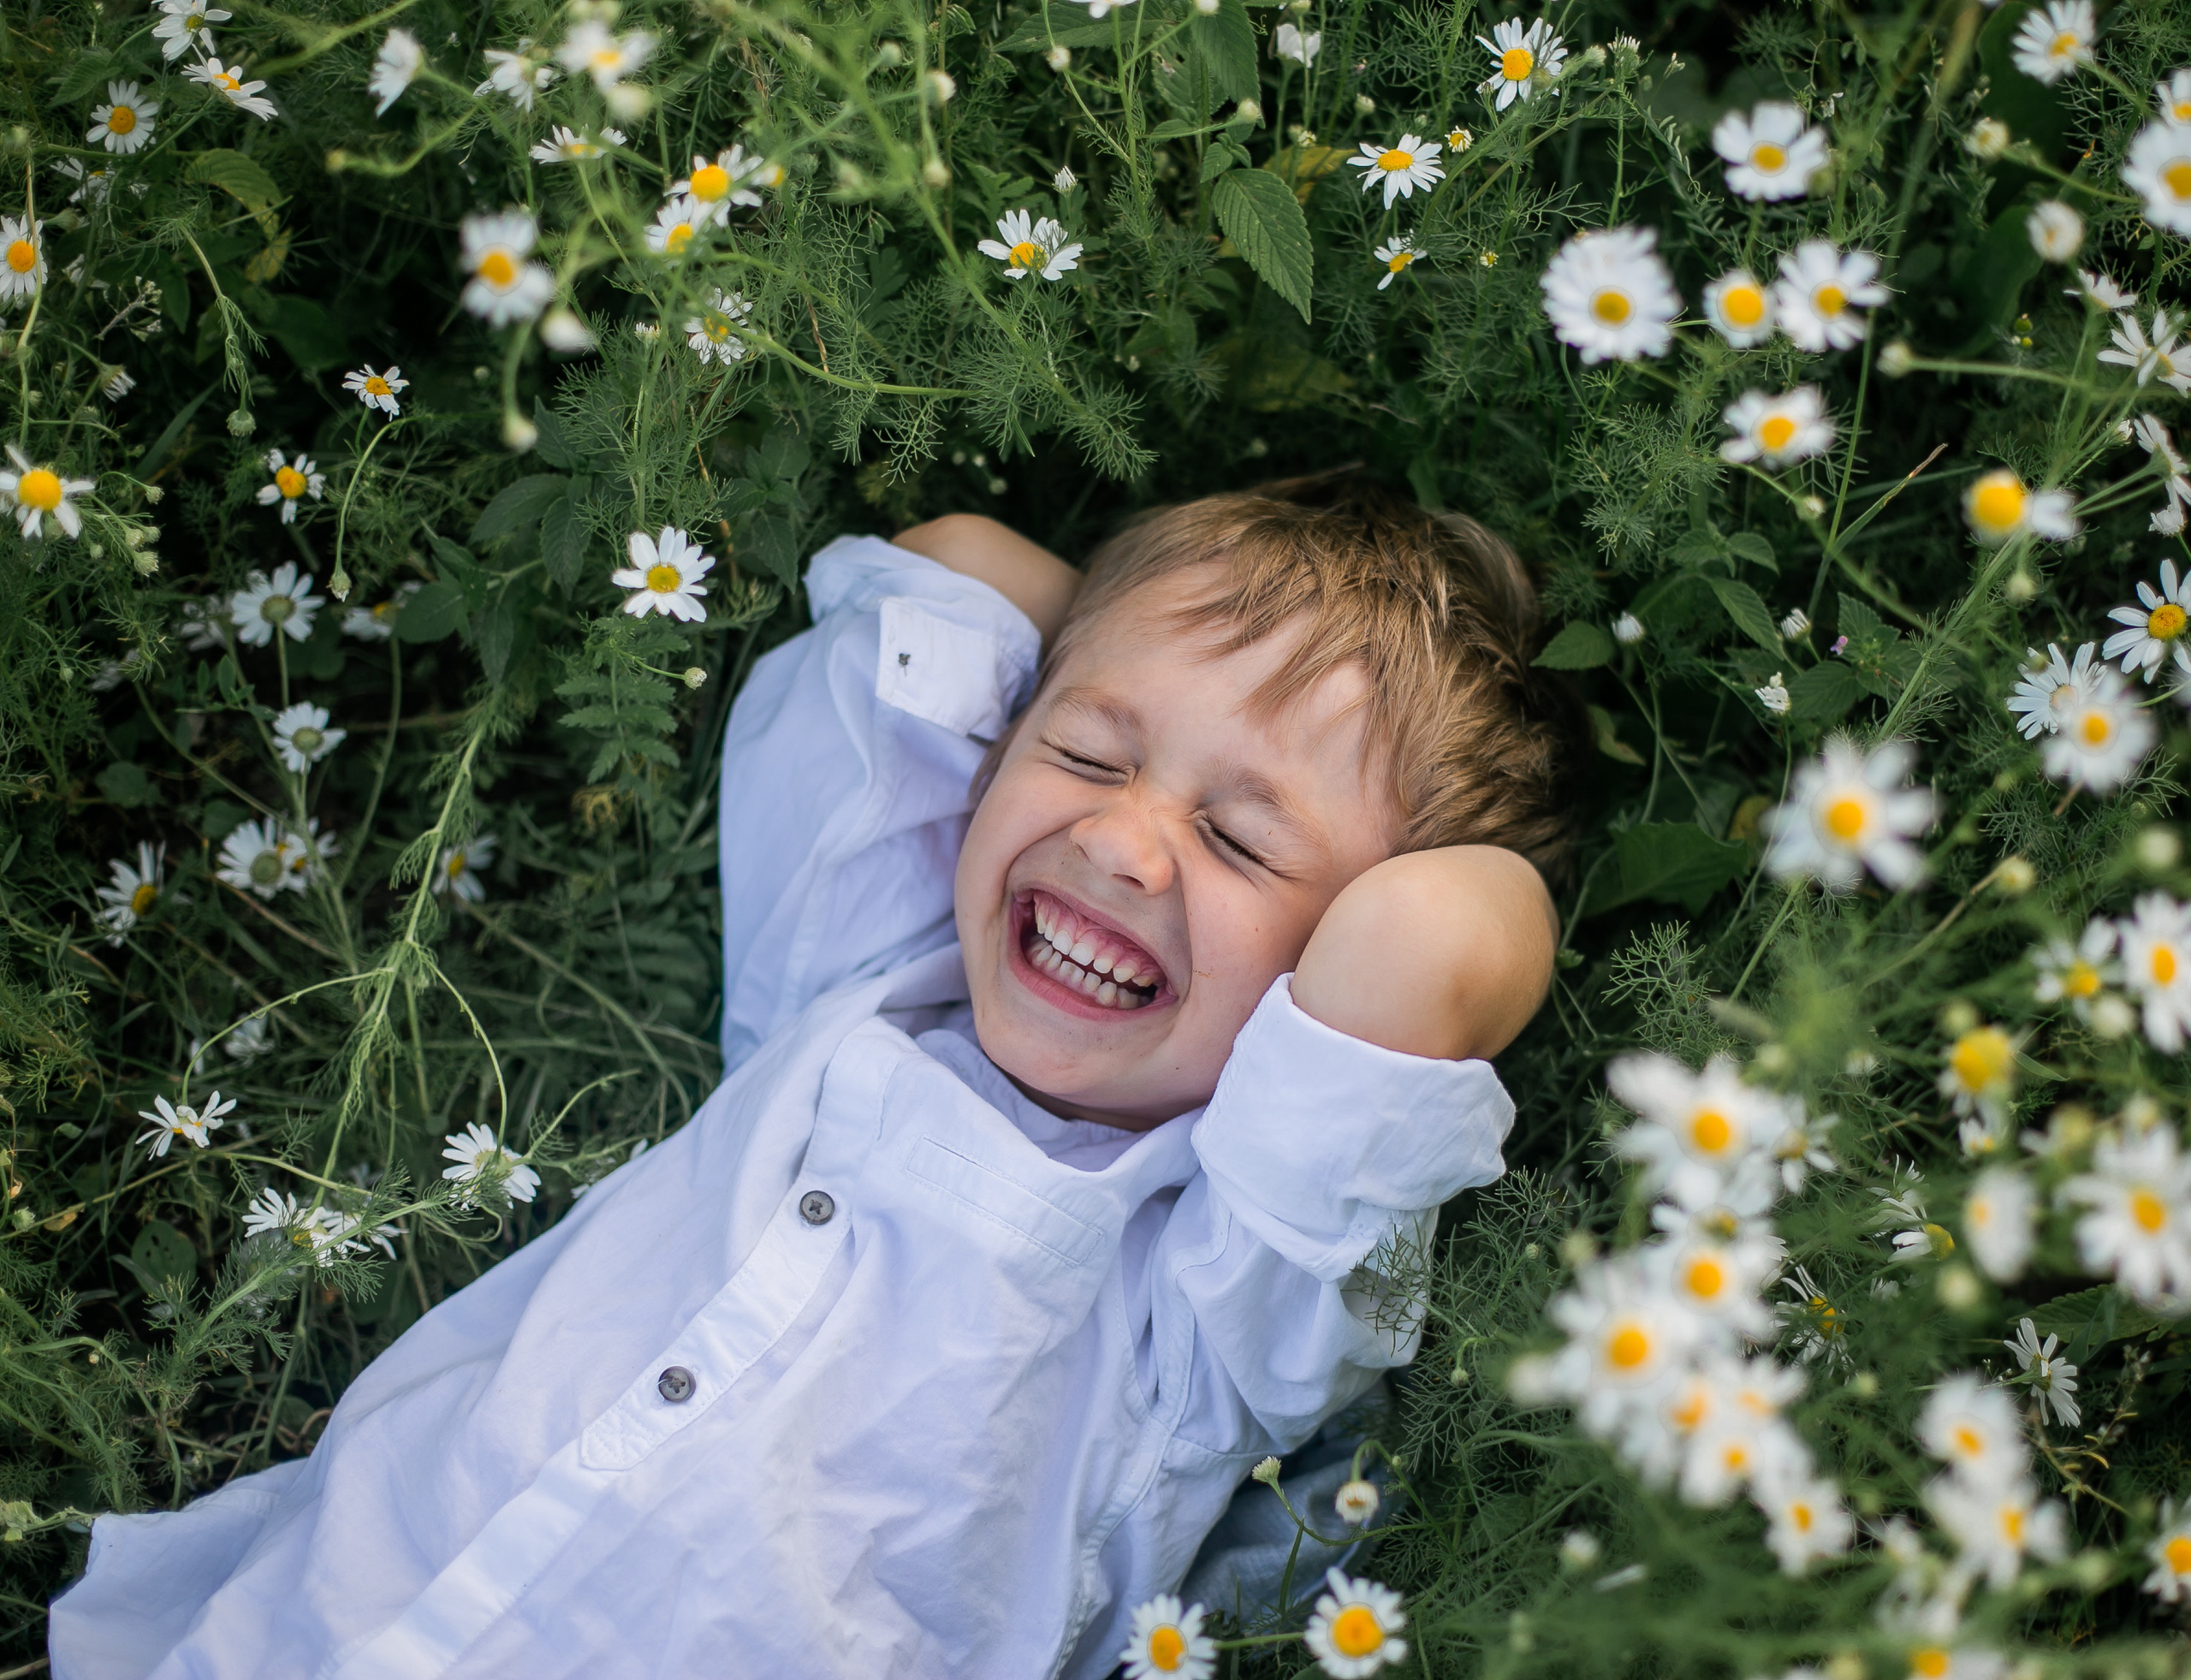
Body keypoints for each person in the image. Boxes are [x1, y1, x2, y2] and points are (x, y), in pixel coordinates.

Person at [50, 472, 1573, 1679]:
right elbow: (955, 564)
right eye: (1089, 754)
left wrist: (1148, 687)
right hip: (322, 1622)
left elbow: (1439, 934)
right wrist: (1142, 628)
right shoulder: (852, 975)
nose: (1119, 841)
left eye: (1241, 843)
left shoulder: (1219, 1303)